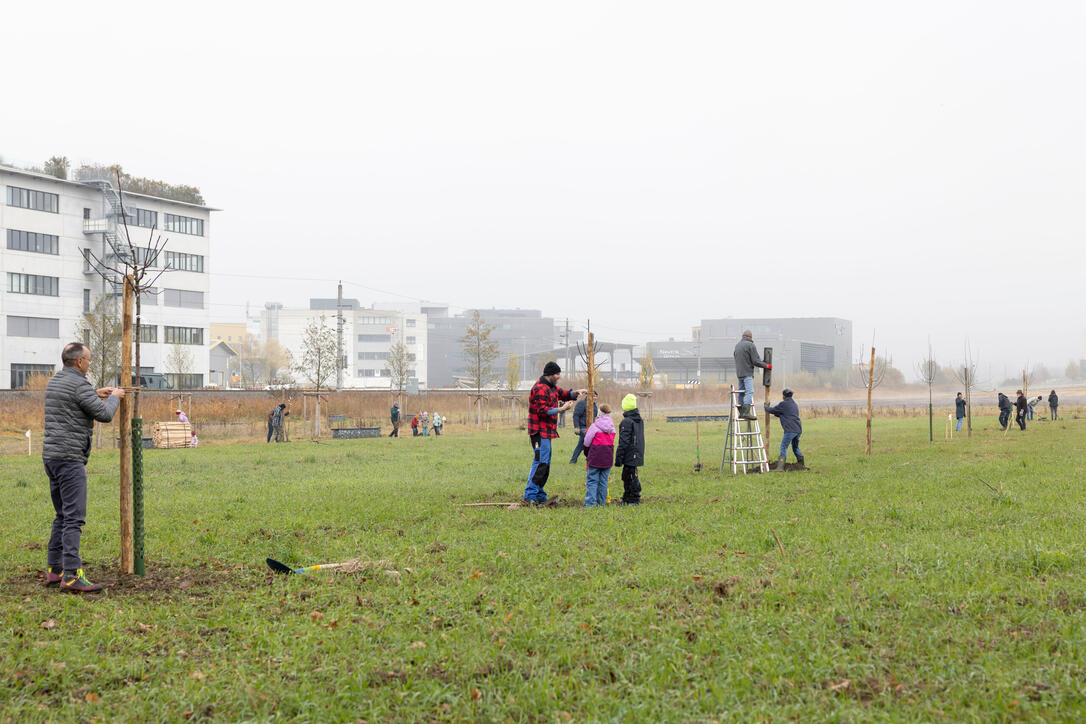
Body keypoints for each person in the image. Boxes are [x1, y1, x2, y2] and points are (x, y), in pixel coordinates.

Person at [43, 342, 125, 593]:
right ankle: (72, 575)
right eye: (89, 360)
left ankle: (54, 570)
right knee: (74, 519)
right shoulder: (80, 385)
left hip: (52, 457)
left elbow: (79, 399)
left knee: (62, 515)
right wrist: (114, 398)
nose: (89, 364)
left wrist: (95, 392)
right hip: (70, 460)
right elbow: (103, 415)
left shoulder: (56, 381)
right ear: (79, 362)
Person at [523, 362, 585, 505]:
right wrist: (561, 409)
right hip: (539, 431)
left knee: (546, 463)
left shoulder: (551, 387)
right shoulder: (539, 388)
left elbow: (564, 394)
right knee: (540, 462)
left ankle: (538, 493)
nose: (559, 376)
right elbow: (542, 410)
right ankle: (529, 495)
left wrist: (576, 393)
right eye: (557, 374)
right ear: (550, 374)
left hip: (547, 432)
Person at [614, 393, 645, 505]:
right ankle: (627, 498)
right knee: (628, 475)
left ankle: (633, 499)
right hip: (637, 452)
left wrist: (619, 457)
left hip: (630, 454)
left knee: (630, 477)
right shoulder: (638, 420)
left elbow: (623, 441)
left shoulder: (626, 422)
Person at [582, 404, 615, 507]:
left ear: (599, 413)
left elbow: (586, 442)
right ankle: (601, 503)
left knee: (592, 480)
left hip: (595, 457)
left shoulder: (594, 426)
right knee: (603, 481)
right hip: (608, 457)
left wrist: (586, 453)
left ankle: (591, 504)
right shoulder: (612, 427)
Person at [733, 330, 770, 420]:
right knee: (750, 391)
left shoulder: (737, 346)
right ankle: (746, 412)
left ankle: (741, 412)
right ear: (750, 337)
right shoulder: (750, 345)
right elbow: (755, 361)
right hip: (747, 374)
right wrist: (766, 365)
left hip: (739, 373)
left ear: (743, 336)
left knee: (741, 392)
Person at [765, 388, 804, 471]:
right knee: (795, 447)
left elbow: (772, 410)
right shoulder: (794, 404)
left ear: (784, 396)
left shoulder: (783, 404)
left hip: (790, 430)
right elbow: (785, 414)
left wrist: (766, 407)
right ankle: (801, 464)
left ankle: (780, 467)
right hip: (798, 429)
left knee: (783, 447)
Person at [568, 391, 599, 463]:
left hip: (590, 428)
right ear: (589, 396)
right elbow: (576, 415)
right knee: (592, 441)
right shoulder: (581, 404)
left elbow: (594, 417)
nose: (595, 398)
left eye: (596, 396)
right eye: (594, 396)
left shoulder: (594, 406)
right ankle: (590, 459)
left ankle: (573, 460)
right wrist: (576, 427)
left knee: (580, 445)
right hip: (582, 427)